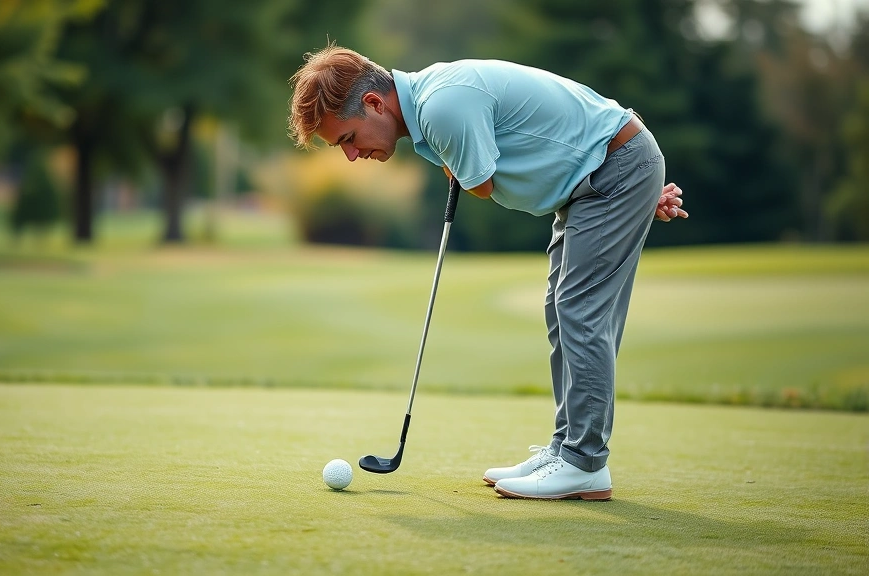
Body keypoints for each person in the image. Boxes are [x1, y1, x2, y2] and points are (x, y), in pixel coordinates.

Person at [288, 45, 688, 501]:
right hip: (599, 176)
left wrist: (634, 184)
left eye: (347, 139)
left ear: (375, 103)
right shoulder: (427, 104)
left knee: (579, 311)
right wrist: (638, 189)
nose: (352, 156)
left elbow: (480, 184)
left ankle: (585, 463)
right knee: (562, 310)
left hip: (610, 170)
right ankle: (565, 449)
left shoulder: (440, 107)